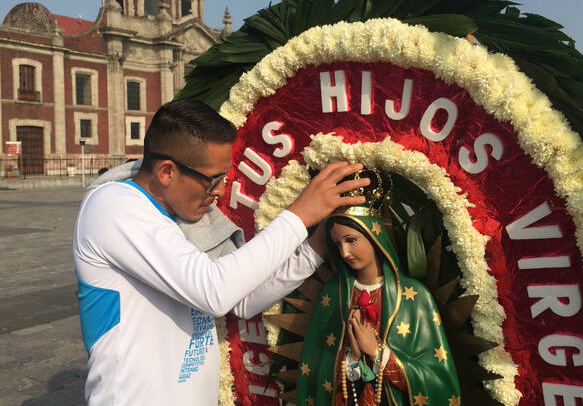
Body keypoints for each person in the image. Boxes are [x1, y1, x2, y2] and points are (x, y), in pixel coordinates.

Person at [73, 99, 368, 406]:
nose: (220, 191)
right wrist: (299, 215)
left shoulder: (180, 218)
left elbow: (241, 300)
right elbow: (215, 291)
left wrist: (315, 247)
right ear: (166, 172)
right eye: (212, 180)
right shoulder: (114, 206)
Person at [296, 169, 461, 406]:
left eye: (351, 240)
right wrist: (351, 357)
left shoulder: (414, 297)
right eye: (337, 243)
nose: (344, 252)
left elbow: (439, 381)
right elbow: (316, 369)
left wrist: (377, 353)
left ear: (374, 237)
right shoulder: (335, 294)